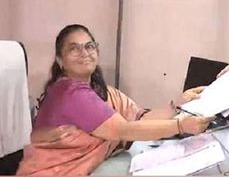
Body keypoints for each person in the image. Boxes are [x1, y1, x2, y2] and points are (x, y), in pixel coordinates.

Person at [17, 24, 212, 175]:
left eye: (89, 46)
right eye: (74, 49)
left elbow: (138, 120)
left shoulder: (102, 92)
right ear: (60, 60)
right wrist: (180, 126)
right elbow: (124, 130)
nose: (84, 53)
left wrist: (176, 104)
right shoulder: (68, 93)